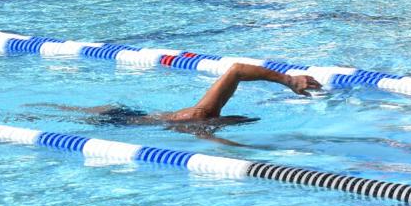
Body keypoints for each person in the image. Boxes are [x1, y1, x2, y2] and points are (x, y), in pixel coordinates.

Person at [77, 63, 321, 130]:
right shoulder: (204, 115)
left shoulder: (203, 122)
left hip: (129, 119)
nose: (237, 119)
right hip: (120, 122)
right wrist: (288, 80)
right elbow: (236, 69)